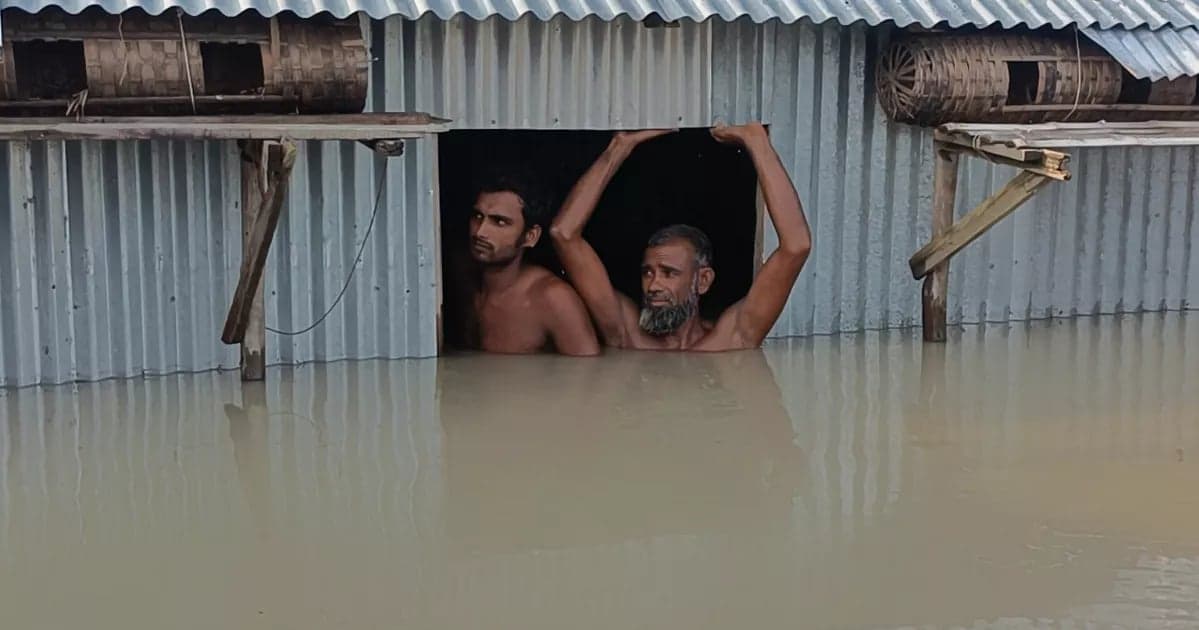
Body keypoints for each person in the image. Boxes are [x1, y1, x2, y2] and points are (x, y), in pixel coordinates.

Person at [549, 123, 811, 351]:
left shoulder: (732, 339)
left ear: (703, 280)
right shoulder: (626, 336)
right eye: (647, 272)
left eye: (669, 272)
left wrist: (757, 142)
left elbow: (796, 246)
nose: (653, 286)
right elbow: (564, 234)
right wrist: (618, 148)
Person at [452, 171, 600, 356]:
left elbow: (590, 377)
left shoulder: (553, 299)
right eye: (478, 216)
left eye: (499, 222)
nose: (480, 232)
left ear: (530, 236)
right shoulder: (459, 280)